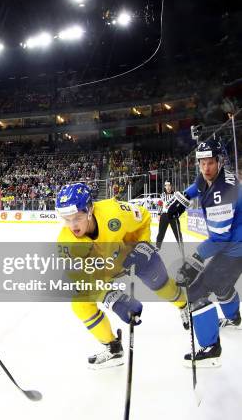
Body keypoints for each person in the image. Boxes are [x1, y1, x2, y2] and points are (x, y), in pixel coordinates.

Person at [56, 183, 186, 369]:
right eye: (66, 219)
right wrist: (113, 299)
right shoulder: (66, 242)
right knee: (80, 303)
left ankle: (184, 305)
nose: (72, 225)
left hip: (134, 255)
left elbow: (144, 216)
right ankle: (113, 348)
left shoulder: (114, 211)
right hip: (105, 268)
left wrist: (143, 245)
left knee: (162, 287)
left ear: (90, 209)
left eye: (78, 216)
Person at [168, 138, 242, 367]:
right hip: (234, 246)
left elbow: (219, 240)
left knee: (196, 291)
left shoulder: (224, 191)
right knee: (222, 285)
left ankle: (211, 348)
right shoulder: (209, 176)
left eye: (210, 163)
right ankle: (234, 317)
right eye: (202, 163)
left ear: (219, 161)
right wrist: (182, 199)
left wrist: (194, 260)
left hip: (235, 249)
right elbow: (197, 185)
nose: (205, 168)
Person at [155, 181, 182, 249]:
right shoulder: (162, 195)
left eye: (169, 185)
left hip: (173, 215)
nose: (168, 187)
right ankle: (157, 247)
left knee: (177, 233)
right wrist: (159, 214)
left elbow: (180, 204)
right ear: (165, 187)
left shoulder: (176, 194)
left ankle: (181, 247)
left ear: (171, 186)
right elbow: (160, 205)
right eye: (166, 186)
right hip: (164, 215)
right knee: (161, 233)